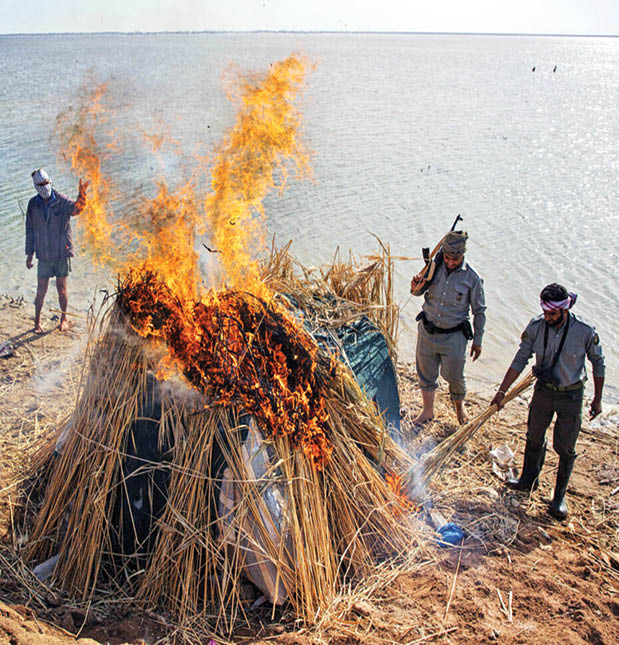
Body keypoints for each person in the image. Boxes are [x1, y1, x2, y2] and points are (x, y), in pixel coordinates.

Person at [491, 283, 605, 520]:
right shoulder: (536, 327)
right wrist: (502, 391)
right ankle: (528, 480)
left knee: (565, 447)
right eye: (545, 313)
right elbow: (520, 359)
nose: (548, 318)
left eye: (552, 314)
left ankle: (558, 497)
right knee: (533, 436)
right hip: (543, 391)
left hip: (571, 395)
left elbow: (599, 363)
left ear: (565, 310)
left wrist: (597, 399)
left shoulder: (583, 330)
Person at [410, 231, 486, 425]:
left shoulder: (472, 278)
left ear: (463, 255)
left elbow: (479, 312)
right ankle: (428, 411)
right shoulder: (432, 268)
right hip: (427, 330)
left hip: (453, 336)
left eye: (456, 259)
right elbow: (417, 292)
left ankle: (459, 409)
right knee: (425, 373)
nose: (451, 262)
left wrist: (478, 341)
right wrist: (415, 286)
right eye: (448, 258)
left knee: (454, 375)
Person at [25, 169, 88, 333]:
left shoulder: (61, 201)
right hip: (44, 255)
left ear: (50, 181)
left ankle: (63, 318)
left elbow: (77, 209)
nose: (44, 187)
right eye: (40, 184)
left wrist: (82, 195)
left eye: (46, 183)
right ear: (35, 186)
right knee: (41, 291)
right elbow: (30, 230)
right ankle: (37, 322)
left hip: (61, 253)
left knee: (62, 289)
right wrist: (29, 255)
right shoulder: (33, 205)